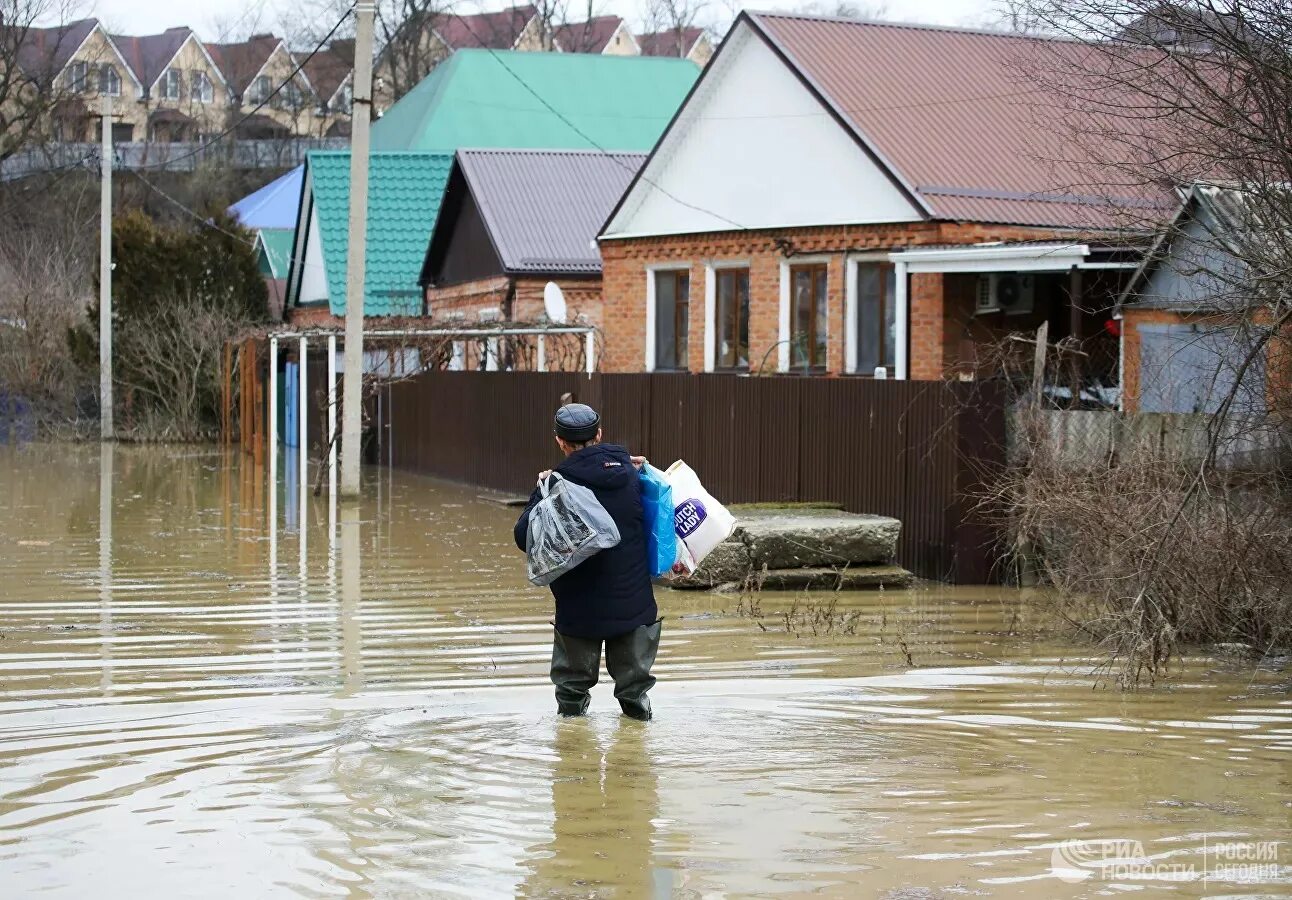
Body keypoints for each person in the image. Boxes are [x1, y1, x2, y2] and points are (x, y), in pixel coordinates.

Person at [514, 403, 661, 720]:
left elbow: (523, 536)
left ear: (560, 442)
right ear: (599, 435)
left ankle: (573, 758)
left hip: (579, 610)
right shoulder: (633, 474)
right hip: (633, 607)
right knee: (635, 693)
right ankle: (637, 759)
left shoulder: (556, 484)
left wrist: (542, 492)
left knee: (572, 692)